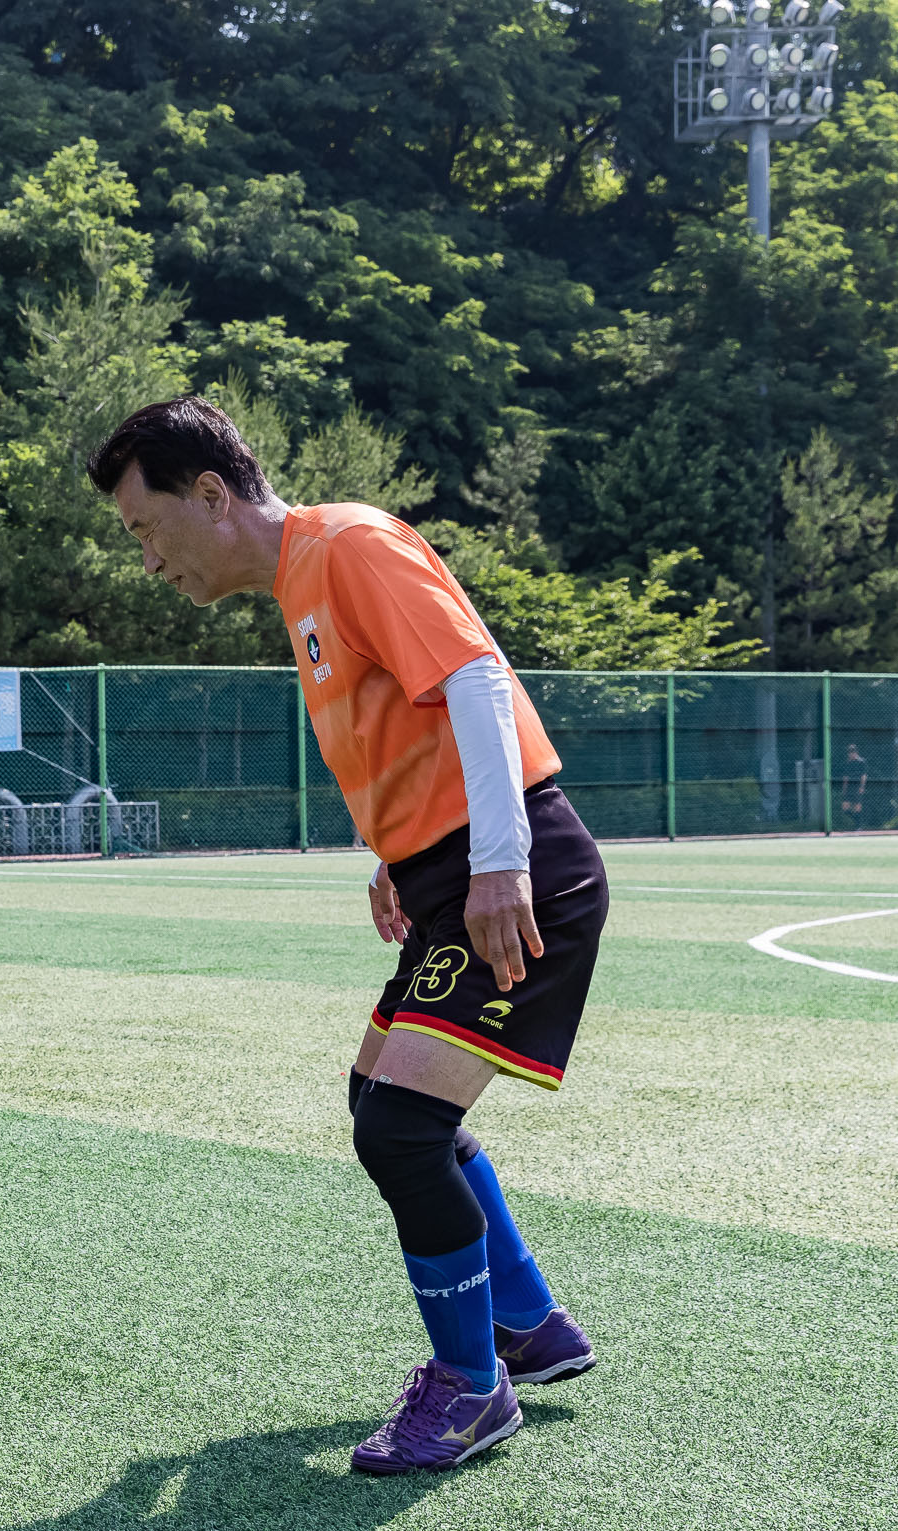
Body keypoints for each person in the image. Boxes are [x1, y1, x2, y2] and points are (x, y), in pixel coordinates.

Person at [86, 396, 606, 1475]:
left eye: (145, 529)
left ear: (211, 494)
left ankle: (471, 1389)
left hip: (513, 869)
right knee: (383, 1102)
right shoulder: (304, 583)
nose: (147, 560)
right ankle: (528, 1324)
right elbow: (415, 720)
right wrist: (400, 853)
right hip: (450, 870)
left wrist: (495, 859)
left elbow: (470, 674)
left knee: (402, 1129)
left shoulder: (349, 540)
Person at [838, 744, 869, 831]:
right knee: (845, 808)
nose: (851, 754)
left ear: (856, 752)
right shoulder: (848, 763)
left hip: (857, 787)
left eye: (852, 752)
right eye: (849, 753)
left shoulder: (862, 762)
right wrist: (844, 789)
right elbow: (846, 777)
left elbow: (864, 776)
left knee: (857, 807)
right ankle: (857, 823)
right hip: (849, 788)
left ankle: (859, 826)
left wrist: (862, 787)